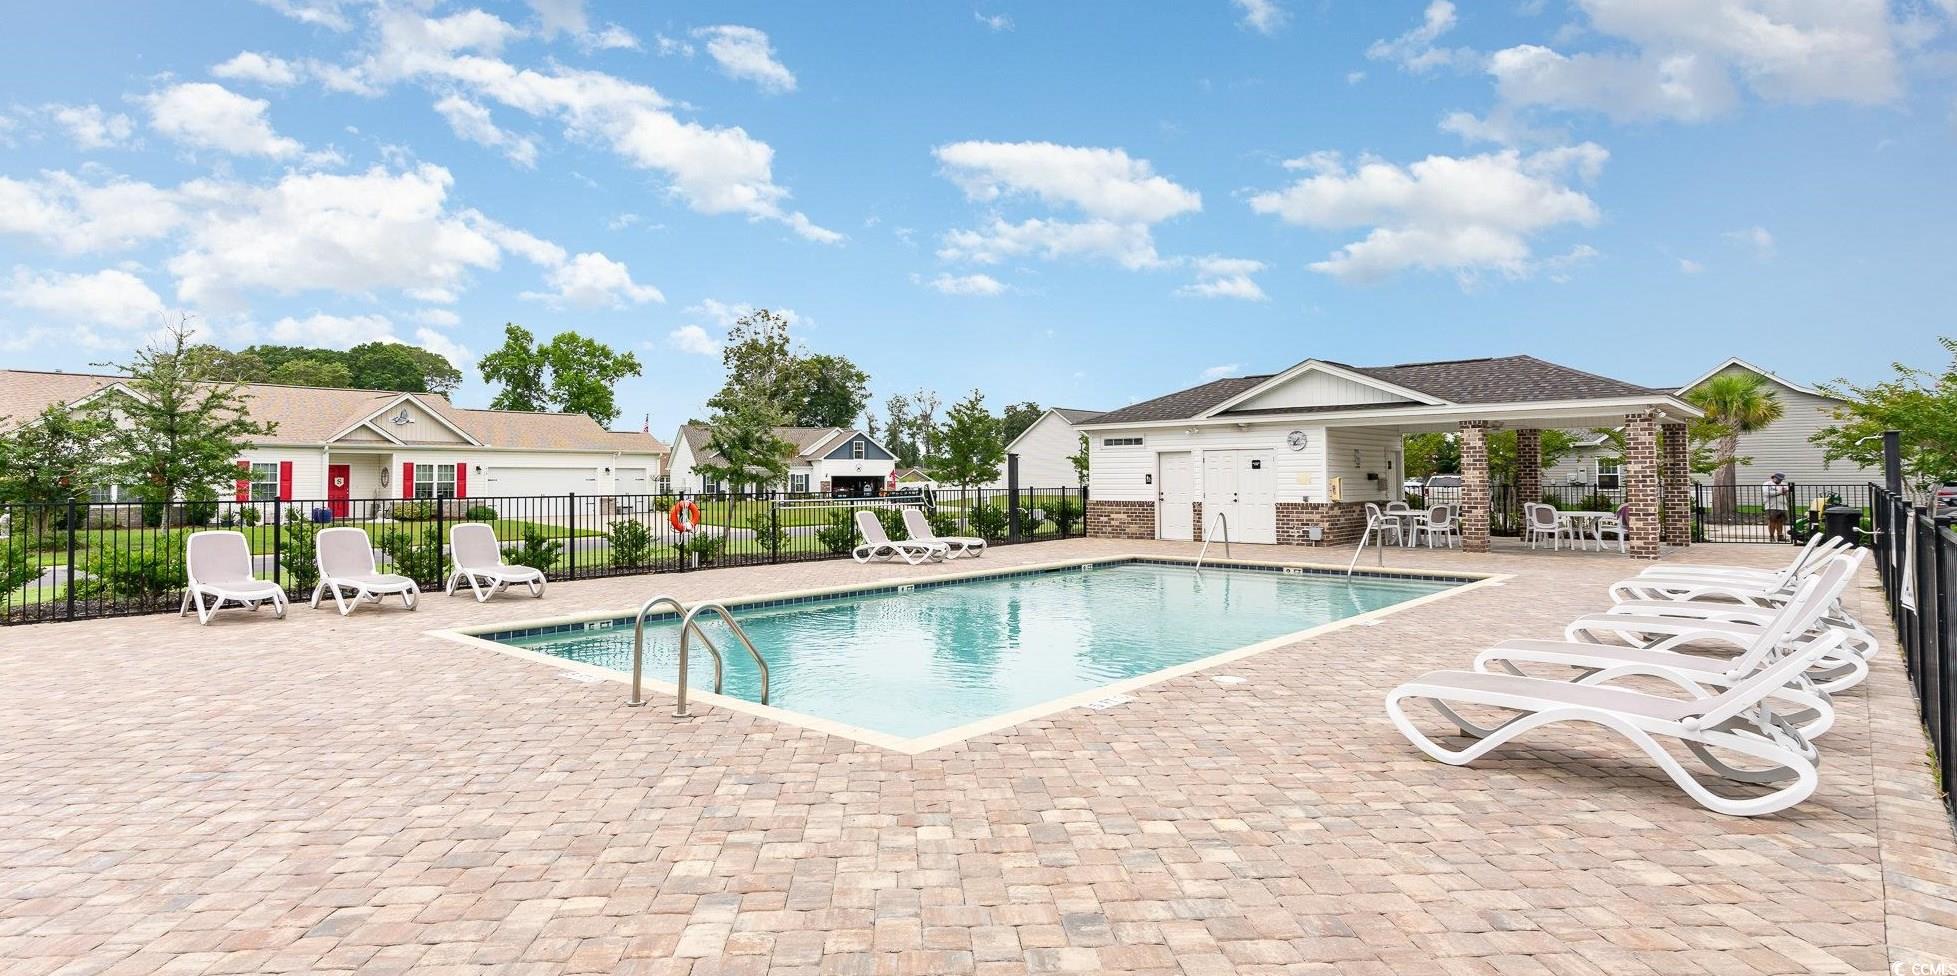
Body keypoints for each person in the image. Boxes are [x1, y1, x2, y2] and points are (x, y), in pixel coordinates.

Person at [1762, 472, 1790, 542]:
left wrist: (1786, 493)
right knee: (1772, 521)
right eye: (1779, 479)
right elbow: (1766, 493)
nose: (1780, 481)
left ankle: (1780, 536)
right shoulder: (1767, 484)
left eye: (1781, 479)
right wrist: (1779, 492)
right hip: (1771, 505)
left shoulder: (1784, 485)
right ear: (1774, 477)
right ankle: (1771, 537)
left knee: (1781, 521)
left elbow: (1787, 493)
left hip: (1782, 505)